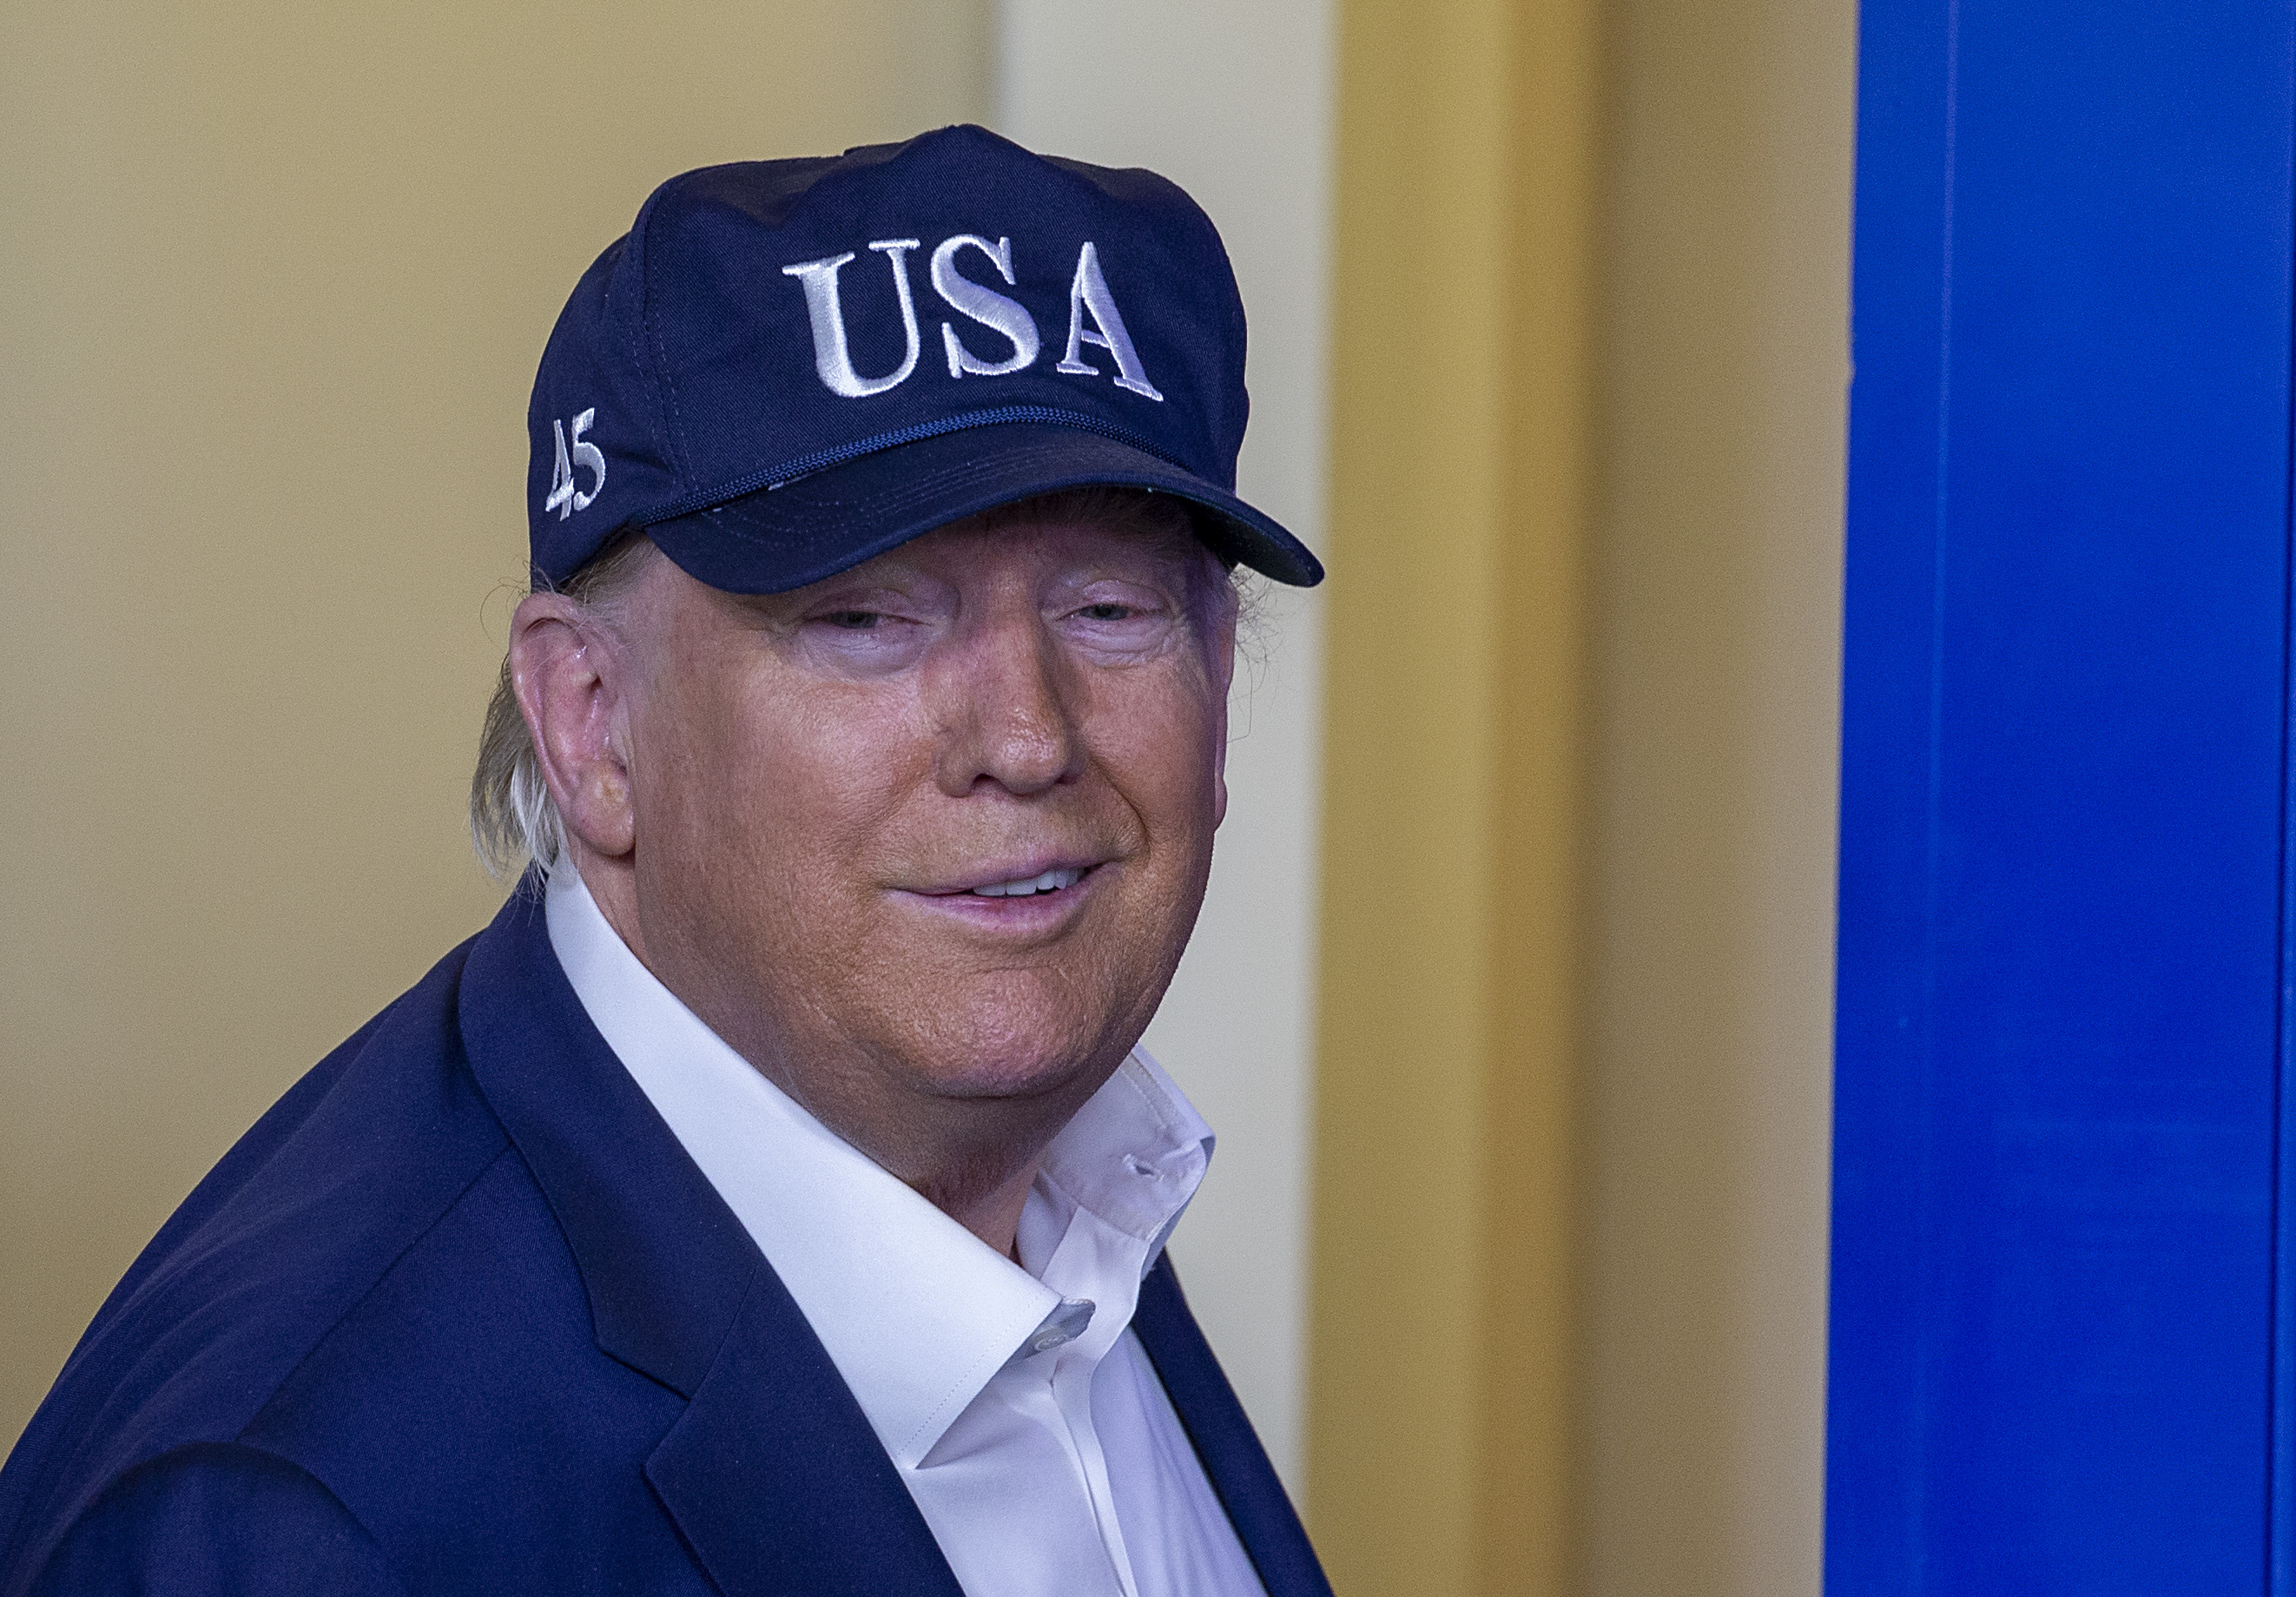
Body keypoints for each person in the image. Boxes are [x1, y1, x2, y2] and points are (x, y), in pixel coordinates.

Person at [0, 124, 1330, 1597]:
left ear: (1219, 666)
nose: (1025, 738)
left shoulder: (1060, 1195)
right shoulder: (303, 1518)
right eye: (867, 620)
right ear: (591, 724)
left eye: (1111, 608)